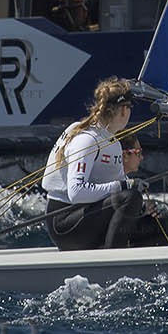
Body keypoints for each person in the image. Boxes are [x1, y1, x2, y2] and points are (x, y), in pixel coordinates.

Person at [40, 77, 151, 250]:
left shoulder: (110, 140)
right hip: (64, 225)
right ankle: (112, 263)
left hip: (88, 216)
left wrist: (143, 209)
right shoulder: (87, 140)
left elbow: (120, 189)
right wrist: (123, 187)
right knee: (130, 197)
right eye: (129, 108)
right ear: (123, 110)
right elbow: (76, 193)